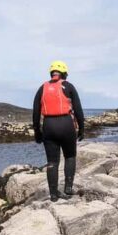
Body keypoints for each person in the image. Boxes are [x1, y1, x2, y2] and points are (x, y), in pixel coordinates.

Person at [32, 60, 85, 202]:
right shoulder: (69, 86)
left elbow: (36, 112)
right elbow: (78, 110)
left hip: (49, 126)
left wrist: (37, 131)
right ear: (64, 73)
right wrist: (82, 129)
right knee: (70, 156)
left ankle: (54, 194)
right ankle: (68, 188)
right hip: (66, 125)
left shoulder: (42, 88)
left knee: (52, 161)